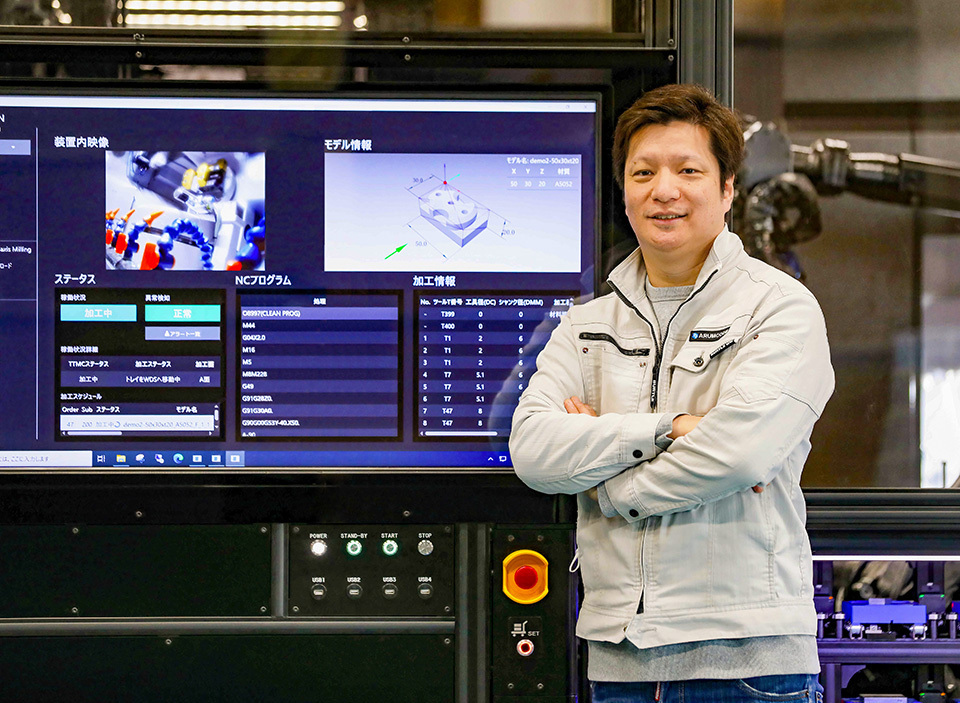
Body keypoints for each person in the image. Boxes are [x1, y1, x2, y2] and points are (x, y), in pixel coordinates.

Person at [509, 83, 834, 702]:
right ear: (624, 190)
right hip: (619, 664)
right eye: (643, 171)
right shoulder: (587, 323)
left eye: (689, 170)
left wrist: (603, 482)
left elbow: (736, 455)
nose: (665, 190)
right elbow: (532, 451)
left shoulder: (780, 308)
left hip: (747, 667)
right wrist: (667, 428)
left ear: (728, 188)